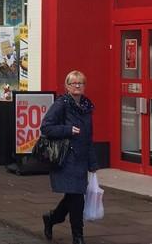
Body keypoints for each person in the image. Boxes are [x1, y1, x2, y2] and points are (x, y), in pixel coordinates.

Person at [40, 70, 98, 244]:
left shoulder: (86, 106)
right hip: (66, 158)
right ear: (67, 86)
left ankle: (52, 218)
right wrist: (68, 129)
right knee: (76, 196)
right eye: (74, 83)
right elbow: (46, 127)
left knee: (74, 196)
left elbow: (89, 137)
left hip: (81, 158)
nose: (78, 86)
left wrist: (93, 162)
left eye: (81, 83)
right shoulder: (62, 104)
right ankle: (78, 236)